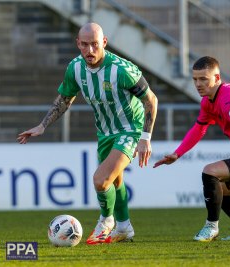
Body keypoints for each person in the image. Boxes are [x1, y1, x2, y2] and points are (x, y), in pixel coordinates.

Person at [17, 22, 158, 244]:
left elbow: (151, 100)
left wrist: (145, 138)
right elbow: (65, 99)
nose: (89, 50)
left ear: (104, 42)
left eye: (94, 44)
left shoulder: (122, 69)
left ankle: (107, 220)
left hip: (130, 129)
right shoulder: (75, 68)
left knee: (101, 180)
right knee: (115, 181)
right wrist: (42, 125)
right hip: (104, 131)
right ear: (78, 44)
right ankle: (124, 228)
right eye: (84, 45)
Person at [154, 56, 230, 242]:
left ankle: (211, 226)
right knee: (219, 191)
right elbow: (199, 129)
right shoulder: (208, 102)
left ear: (217, 78)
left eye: (203, 79)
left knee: (210, 172)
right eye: (195, 79)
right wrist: (178, 153)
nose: (198, 84)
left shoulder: (228, 97)